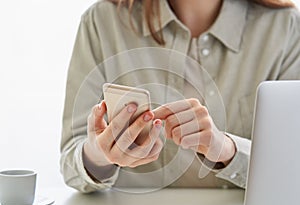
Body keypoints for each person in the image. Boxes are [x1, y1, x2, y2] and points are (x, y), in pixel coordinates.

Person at [60, 0, 300, 193]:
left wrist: (228, 150)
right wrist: (99, 155)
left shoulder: (284, 27)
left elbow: (292, 166)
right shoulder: (102, 22)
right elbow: (71, 160)